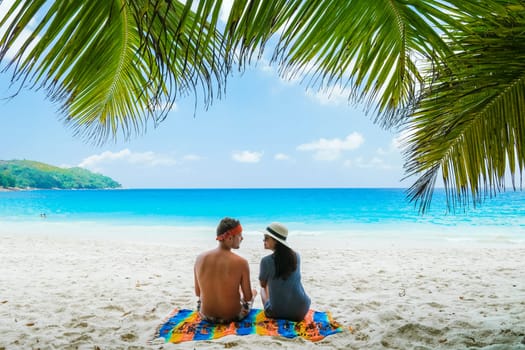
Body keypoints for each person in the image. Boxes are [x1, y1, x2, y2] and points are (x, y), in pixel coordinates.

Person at [194, 217, 256, 323]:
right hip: (232, 317)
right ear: (230, 238)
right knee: (253, 292)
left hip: (206, 316)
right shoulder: (241, 262)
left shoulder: (199, 258)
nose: (242, 238)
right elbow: (248, 297)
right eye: (240, 235)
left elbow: (198, 292)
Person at [259, 222, 311, 321]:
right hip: (301, 310)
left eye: (266, 238)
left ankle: (277, 305)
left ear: (276, 241)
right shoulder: (296, 256)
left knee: (262, 288)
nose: (263, 240)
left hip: (277, 313)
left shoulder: (265, 261)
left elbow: (263, 284)